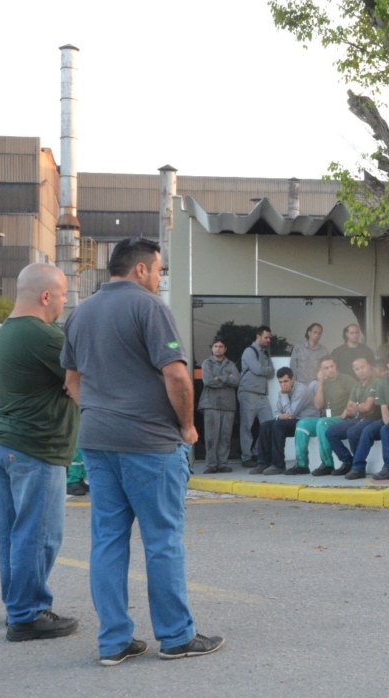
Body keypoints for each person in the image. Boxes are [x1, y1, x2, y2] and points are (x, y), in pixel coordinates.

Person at [61, 237, 223, 665]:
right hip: (149, 443)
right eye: (158, 270)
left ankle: (114, 643)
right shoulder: (148, 308)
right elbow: (177, 377)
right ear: (140, 270)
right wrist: (188, 427)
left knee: (108, 542)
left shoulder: (80, 313)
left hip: (97, 441)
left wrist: (102, 412)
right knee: (162, 540)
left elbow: (72, 383)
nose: (158, 277)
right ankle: (175, 637)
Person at [0, 263, 79, 643]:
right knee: (38, 536)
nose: (62, 304)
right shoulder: (42, 336)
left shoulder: (6, 331)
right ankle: (27, 614)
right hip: (35, 447)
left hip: (3, 444)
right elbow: (84, 377)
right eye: (61, 296)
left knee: (12, 534)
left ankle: (16, 605)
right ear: (45, 296)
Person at [322, 357, 382, 478]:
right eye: (357, 369)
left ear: (369, 367)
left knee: (353, 432)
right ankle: (348, 462)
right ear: (354, 371)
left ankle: (359, 467)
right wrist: (358, 406)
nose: (361, 371)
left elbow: (368, 408)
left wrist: (356, 406)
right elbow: (349, 408)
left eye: (363, 367)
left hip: (373, 418)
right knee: (331, 432)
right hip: (357, 418)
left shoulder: (376, 382)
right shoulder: (357, 386)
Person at [252, 367, 319, 475]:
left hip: (305, 421)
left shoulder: (301, 390)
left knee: (278, 425)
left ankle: (278, 465)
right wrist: (280, 416)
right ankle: (263, 463)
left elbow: (291, 414)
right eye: (280, 382)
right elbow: (277, 412)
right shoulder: (281, 392)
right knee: (265, 425)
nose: (283, 385)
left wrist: (284, 396)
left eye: (286, 381)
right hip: (291, 421)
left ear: (293, 379)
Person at [309, 357, 357, 476]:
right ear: (321, 371)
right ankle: (301, 464)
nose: (330, 370)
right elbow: (318, 405)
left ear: (336, 366)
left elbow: (358, 395)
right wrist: (320, 384)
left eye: (332, 366)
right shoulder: (323, 384)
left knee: (322, 423)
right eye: (326, 368)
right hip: (329, 419)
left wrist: (347, 410)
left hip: (344, 419)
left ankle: (327, 464)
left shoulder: (346, 379)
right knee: (302, 424)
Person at [199, 340, 239, 474]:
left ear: (225, 349)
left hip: (228, 404)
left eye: (221, 346)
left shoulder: (231, 364)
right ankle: (211, 465)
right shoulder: (206, 363)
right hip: (210, 403)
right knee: (211, 436)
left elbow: (237, 380)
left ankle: (223, 464)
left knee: (225, 436)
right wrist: (227, 378)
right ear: (212, 349)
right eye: (216, 346)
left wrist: (219, 378)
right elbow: (207, 381)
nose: (218, 349)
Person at [238, 326, 275, 468]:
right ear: (258, 336)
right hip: (248, 393)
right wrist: (266, 370)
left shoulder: (265, 354)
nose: (268, 340)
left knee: (269, 424)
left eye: (269, 337)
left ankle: (257, 452)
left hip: (262, 395)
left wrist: (265, 370)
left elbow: (272, 373)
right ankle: (246, 457)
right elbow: (257, 369)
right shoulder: (249, 351)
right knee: (246, 426)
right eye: (266, 337)